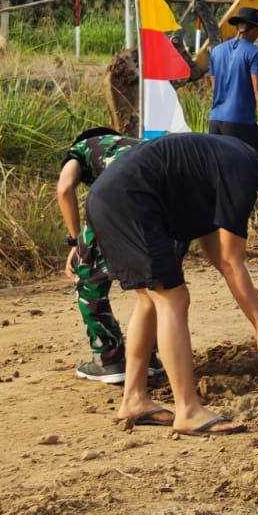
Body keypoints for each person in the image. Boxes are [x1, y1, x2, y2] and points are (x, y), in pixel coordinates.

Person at [85, 131, 258, 435]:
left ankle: (134, 400)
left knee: (151, 299)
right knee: (174, 298)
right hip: (130, 201)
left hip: (113, 198)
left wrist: (255, 315)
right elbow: (232, 262)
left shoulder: (234, 161)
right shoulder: (242, 173)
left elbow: (218, 251)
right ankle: (188, 410)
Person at [55, 125, 158, 383]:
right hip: (163, 204)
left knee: (87, 278)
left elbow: (64, 188)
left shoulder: (82, 149)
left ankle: (110, 359)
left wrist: (75, 243)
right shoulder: (137, 144)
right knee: (156, 286)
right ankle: (149, 356)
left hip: (118, 199)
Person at [208, 5, 258, 239]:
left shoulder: (217, 51)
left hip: (216, 120)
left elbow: (214, 86)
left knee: (221, 173)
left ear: (238, 27)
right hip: (240, 122)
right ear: (255, 29)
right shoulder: (255, 53)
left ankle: (216, 227)